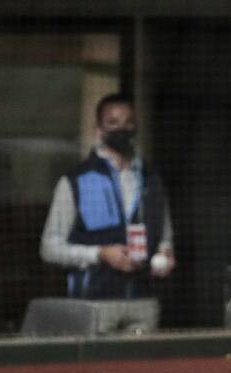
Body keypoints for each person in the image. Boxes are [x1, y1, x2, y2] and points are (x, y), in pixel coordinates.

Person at [40, 93, 175, 299]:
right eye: (113, 122)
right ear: (99, 130)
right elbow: (49, 248)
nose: (122, 129)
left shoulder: (151, 179)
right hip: (93, 301)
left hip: (144, 299)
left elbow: (165, 238)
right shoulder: (76, 180)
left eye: (128, 122)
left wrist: (165, 254)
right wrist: (100, 254)